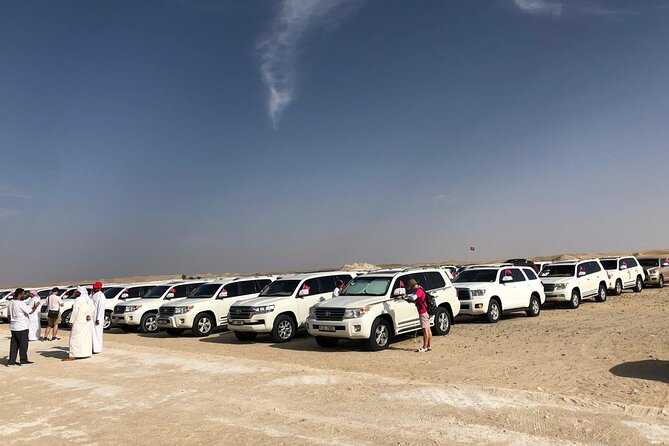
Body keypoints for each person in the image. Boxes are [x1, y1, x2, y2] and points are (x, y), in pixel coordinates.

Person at [7, 288, 38, 365]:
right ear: (20, 294)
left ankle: (12, 361)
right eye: (23, 294)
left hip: (14, 327)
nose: (24, 295)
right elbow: (30, 311)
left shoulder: (11, 303)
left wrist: (13, 321)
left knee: (14, 345)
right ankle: (23, 360)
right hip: (22, 327)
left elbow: (8, 316)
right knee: (23, 345)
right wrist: (35, 306)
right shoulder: (21, 303)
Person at [63, 287, 94, 361]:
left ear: (79, 292)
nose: (75, 293)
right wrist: (89, 315)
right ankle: (85, 353)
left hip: (78, 320)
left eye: (77, 291)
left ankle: (73, 355)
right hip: (86, 321)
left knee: (74, 338)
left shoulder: (78, 299)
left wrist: (71, 320)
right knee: (85, 337)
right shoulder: (89, 299)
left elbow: (75, 311)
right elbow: (93, 308)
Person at [406, 279, 432, 353]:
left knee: (425, 330)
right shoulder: (421, 289)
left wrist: (408, 297)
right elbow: (417, 299)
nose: (411, 289)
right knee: (428, 329)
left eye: (411, 287)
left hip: (423, 312)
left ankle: (424, 347)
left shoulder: (419, 291)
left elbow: (414, 297)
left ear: (414, 285)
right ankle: (429, 346)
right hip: (426, 311)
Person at [90, 281, 105, 354]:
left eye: (95, 288)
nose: (94, 289)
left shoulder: (101, 296)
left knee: (98, 333)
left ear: (99, 288)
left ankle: (97, 348)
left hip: (98, 317)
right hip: (93, 316)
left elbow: (101, 307)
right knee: (93, 332)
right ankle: (93, 347)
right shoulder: (94, 295)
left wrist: (98, 318)